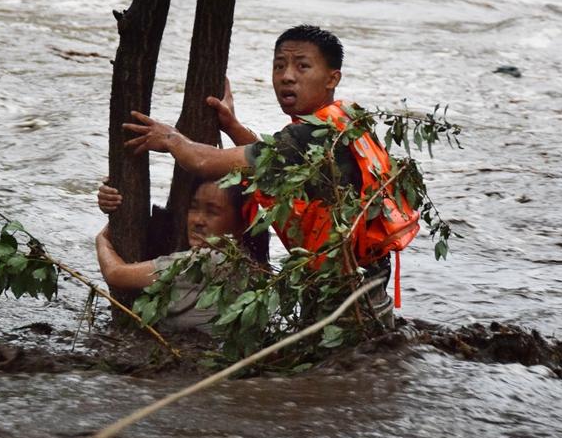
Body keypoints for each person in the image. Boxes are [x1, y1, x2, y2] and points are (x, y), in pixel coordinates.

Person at [123, 24, 396, 324]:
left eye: (302, 66)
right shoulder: (345, 123)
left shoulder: (309, 136)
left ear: (333, 78)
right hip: (369, 290)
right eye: (279, 66)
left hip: (344, 307)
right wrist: (233, 127)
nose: (287, 76)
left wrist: (171, 139)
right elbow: (273, 160)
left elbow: (204, 162)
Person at [95, 179, 268, 333]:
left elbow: (115, 273)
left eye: (212, 212)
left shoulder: (208, 261)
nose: (198, 220)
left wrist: (102, 237)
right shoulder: (250, 261)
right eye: (193, 208)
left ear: (241, 224)